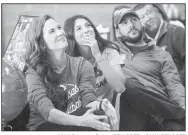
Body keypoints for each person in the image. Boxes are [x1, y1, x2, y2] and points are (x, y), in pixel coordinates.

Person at [24, 15, 118, 131]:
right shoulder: (33, 73)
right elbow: (47, 111)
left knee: (95, 114)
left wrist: (101, 104)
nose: (60, 33)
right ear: (42, 43)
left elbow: (88, 99)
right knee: (88, 121)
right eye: (52, 31)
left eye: (59, 28)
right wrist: (80, 121)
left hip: (74, 121)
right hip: (44, 126)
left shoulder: (82, 64)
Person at [112, 6, 185, 130]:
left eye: (134, 20)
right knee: (127, 84)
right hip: (131, 114)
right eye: (124, 23)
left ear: (141, 24)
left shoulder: (161, 54)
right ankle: (181, 115)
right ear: (118, 31)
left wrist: (183, 106)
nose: (131, 25)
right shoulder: (112, 51)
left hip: (161, 115)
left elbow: (174, 86)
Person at [64, 15, 125, 104]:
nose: (86, 30)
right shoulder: (68, 60)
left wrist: (98, 55)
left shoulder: (111, 51)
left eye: (88, 25)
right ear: (72, 36)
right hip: (81, 112)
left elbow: (120, 87)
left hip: (105, 111)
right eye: (78, 29)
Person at [133, 4, 185, 86]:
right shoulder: (139, 43)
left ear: (157, 12)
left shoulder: (177, 32)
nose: (147, 18)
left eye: (149, 13)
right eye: (142, 17)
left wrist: (174, 85)